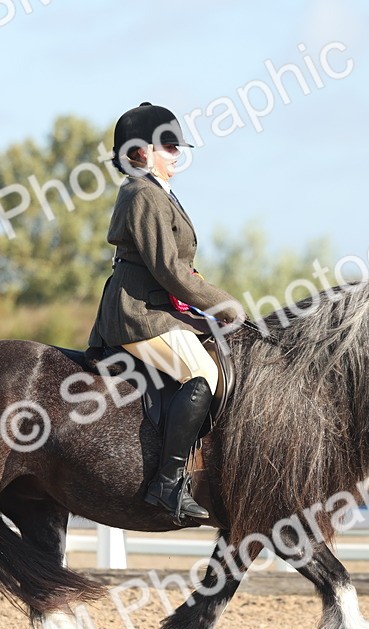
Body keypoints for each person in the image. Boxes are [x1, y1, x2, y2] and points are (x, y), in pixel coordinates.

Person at [87, 102, 246, 522]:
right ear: (140, 152)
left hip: (154, 307)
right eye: (169, 146)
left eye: (177, 146)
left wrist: (200, 314)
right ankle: (168, 483)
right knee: (203, 375)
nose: (177, 153)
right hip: (138, 313)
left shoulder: (157, 192)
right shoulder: (143, 194)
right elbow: (170, 271)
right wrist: (222, 303)